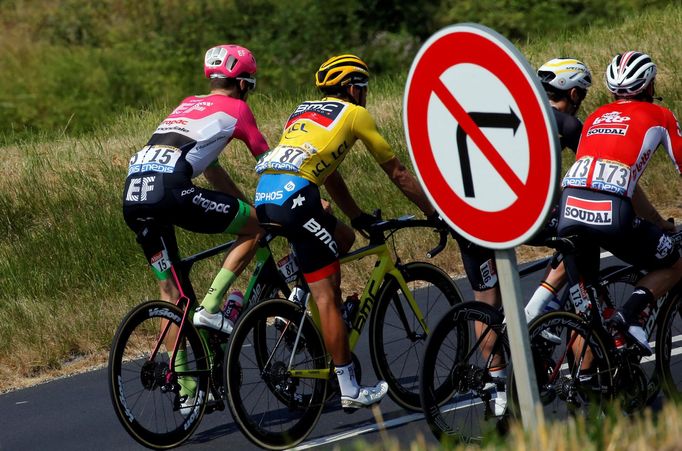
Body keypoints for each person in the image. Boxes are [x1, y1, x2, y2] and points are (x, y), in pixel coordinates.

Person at [253, 54, 441, 409]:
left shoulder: (302, 110)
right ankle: (349, 386)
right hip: (298, 197)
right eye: (364, 88)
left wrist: (355, 215)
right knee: (328, 297)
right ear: (353, 87)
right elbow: (398, 172)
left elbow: (330, 171)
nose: (366, 95)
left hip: (266, 195)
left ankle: (295, 299)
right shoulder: (355, 114)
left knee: (345, 238)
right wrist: (433, 213)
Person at [122, 44, 269, 412]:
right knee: (255, 230)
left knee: (172, 296)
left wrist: (244, 206)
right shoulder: (238, 109)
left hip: (134, 195)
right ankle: (214, 306)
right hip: (171, 190)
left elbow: (212, 169)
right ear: (245, 83)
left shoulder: (189, 104)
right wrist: (263, 211)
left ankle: (189, 392)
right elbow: (271, 163)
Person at [558, 51, 682, 354]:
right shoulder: (660, 115)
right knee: (676, 264)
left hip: (568, 210)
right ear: (650, 86)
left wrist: (656, 221)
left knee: (588, 311)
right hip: (611, 214)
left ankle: (588, 383)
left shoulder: (596, 117)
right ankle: (630, 315)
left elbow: (609, 180)